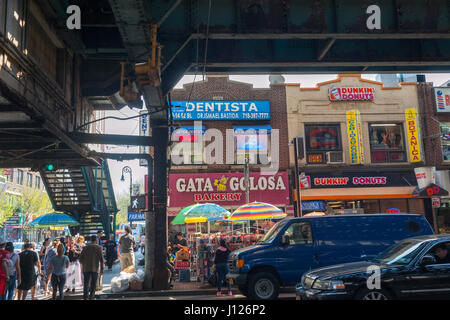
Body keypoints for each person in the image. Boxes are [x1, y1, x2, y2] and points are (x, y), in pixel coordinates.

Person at [79, 235, 104, 300]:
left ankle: (85, 297)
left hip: (86, 268)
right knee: (93, 283)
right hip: (95, 268)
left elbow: (80, 259)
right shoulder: (99, 248)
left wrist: (84, 264)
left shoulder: (85, 248)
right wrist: (102, 269)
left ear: (91, 240)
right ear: (96, 240)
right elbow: (102, 260)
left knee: (86, 283)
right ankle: (92, 296)